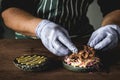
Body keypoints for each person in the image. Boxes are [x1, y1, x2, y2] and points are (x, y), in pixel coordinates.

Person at [0, 0, 120, 56]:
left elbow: (114, 7)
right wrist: (41, 28)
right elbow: (10, 12)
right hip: (32, 40)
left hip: (81, 39)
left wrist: (111, 26)